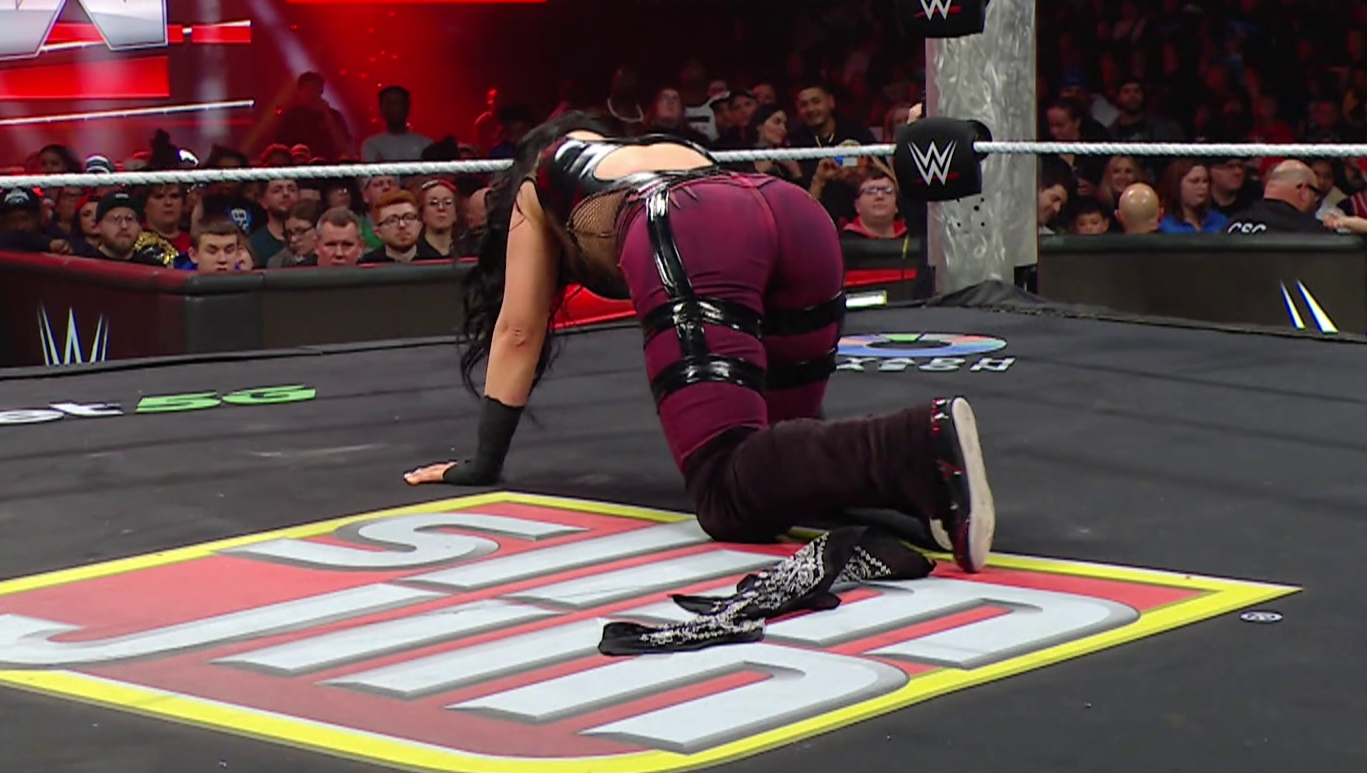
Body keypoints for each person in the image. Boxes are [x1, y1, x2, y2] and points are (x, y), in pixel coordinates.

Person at [401, 111, 995, 574]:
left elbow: (518, 329)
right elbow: (731, 209)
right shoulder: (664, 145)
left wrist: (483, 462)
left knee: (724, 491)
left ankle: (916, 446)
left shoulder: (543, 175)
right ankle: (919, 491)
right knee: (776, 463)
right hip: (794, 215)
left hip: (691, 222)